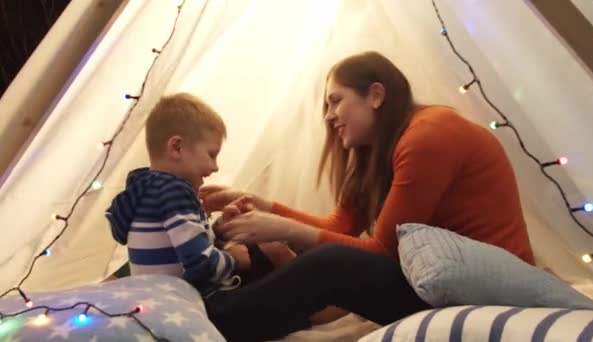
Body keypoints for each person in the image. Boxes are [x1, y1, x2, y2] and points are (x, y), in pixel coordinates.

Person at [200, 51, 535, 341]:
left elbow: (382, 251)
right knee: (290, 249)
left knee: (330, 263)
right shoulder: (383, 149)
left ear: (375, 95)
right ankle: (221, 300)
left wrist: (283, 228)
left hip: (483, 294)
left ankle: (209, 321)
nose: (329, 116)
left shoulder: (429, 136)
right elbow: (339, 226)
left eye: (335, 100)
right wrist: (264, 206)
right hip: (442, 281)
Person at [104, 93, 280, 295]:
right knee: (269, 258)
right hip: (184, 299)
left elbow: (176, 243)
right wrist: (234, 260)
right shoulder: (175, 192)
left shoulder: (141, 189)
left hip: (151, 297)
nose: (215, 167)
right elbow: (200, 264)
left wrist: (221, 229)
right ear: (177, 147)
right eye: (211, 155)